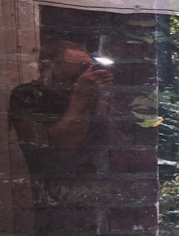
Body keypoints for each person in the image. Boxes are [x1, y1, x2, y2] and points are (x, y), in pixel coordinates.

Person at [8, 34, 110, 173]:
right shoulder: (28, 95)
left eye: (89, 72)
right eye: (74, 78)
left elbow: (116, 144)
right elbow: (60, 149)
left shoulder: (90, 98)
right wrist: (80, 96)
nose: (86, 79)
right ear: (48, 72)